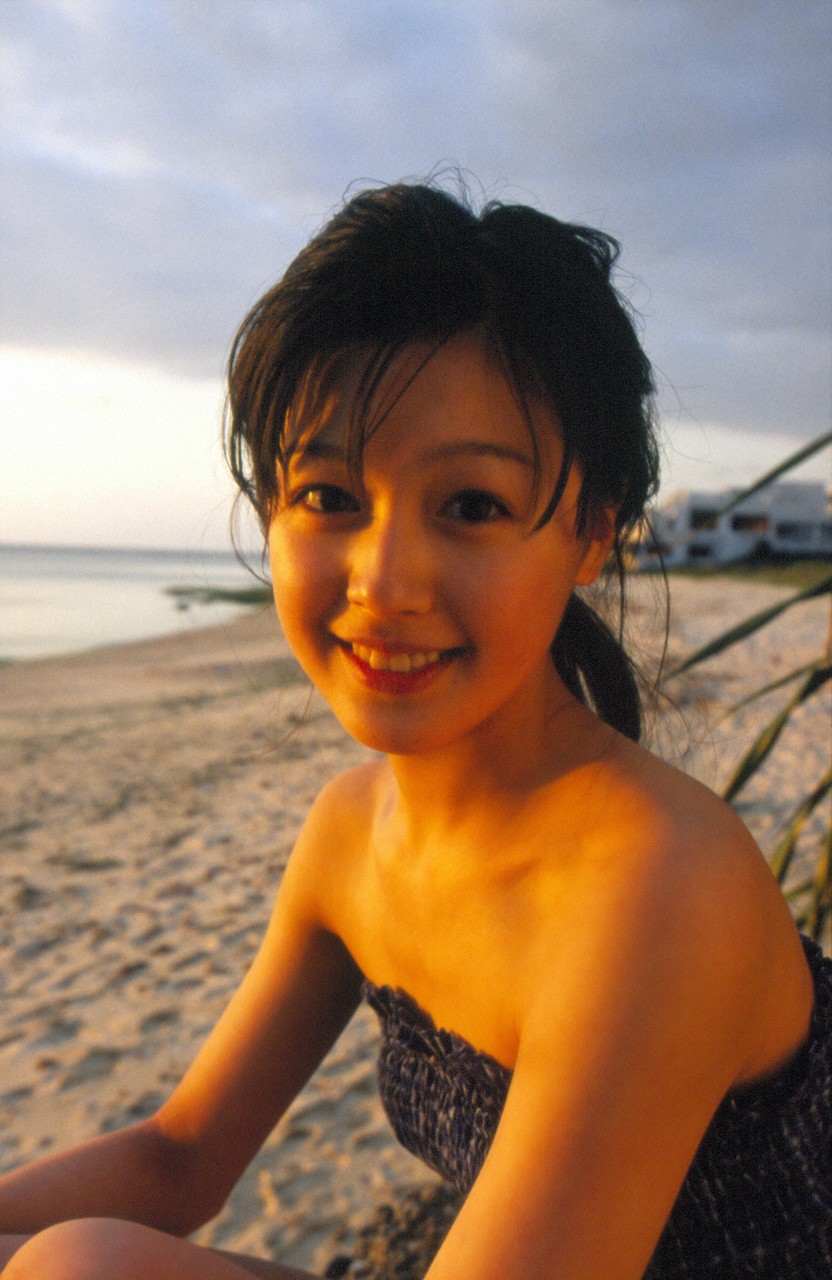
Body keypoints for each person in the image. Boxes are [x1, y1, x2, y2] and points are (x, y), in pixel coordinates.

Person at [1, 180, 829, 1280]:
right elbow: (180, 1158)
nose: (384, 582)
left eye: (471, 505)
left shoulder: (658, 882)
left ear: (594, 532)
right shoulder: (354, 832)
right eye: (328, 495)